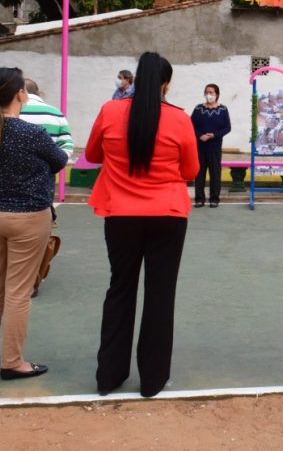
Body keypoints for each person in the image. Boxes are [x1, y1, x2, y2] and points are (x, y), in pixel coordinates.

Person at [86, 52, 199, 398]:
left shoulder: (110, 111)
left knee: (120, 288)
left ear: (135, 79)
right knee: (160, 294)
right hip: (167, 214)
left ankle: (109, 375)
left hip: (120, 214)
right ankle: (152, 378)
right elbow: (191, 171)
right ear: (166, 84)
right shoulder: (179, 119)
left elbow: (92, 155)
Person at [0, 67, 67, 380]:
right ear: (20, 94)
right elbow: (59, 160)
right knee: (18, 291)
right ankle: (12, 361)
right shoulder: (30, 133)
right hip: (27, 217)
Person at [190, 83, 231, 208]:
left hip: (215, 147)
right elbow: (190, 125)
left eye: (211, 92)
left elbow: (227, 128)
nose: (209, 95)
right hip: (200, 147)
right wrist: (200, 135)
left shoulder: (223, 110)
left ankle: (214, 199)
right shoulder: (198, 109)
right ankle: (199, 199)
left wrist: (213, 135)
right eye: (207, 92)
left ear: (217, 94)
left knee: (215, 174)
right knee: (199, 173)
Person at [20, 79, 74, 156]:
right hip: (49, 162)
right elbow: (67, 144)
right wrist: (58, 160)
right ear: (38, 93)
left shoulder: (11, 112)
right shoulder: (56, 113)